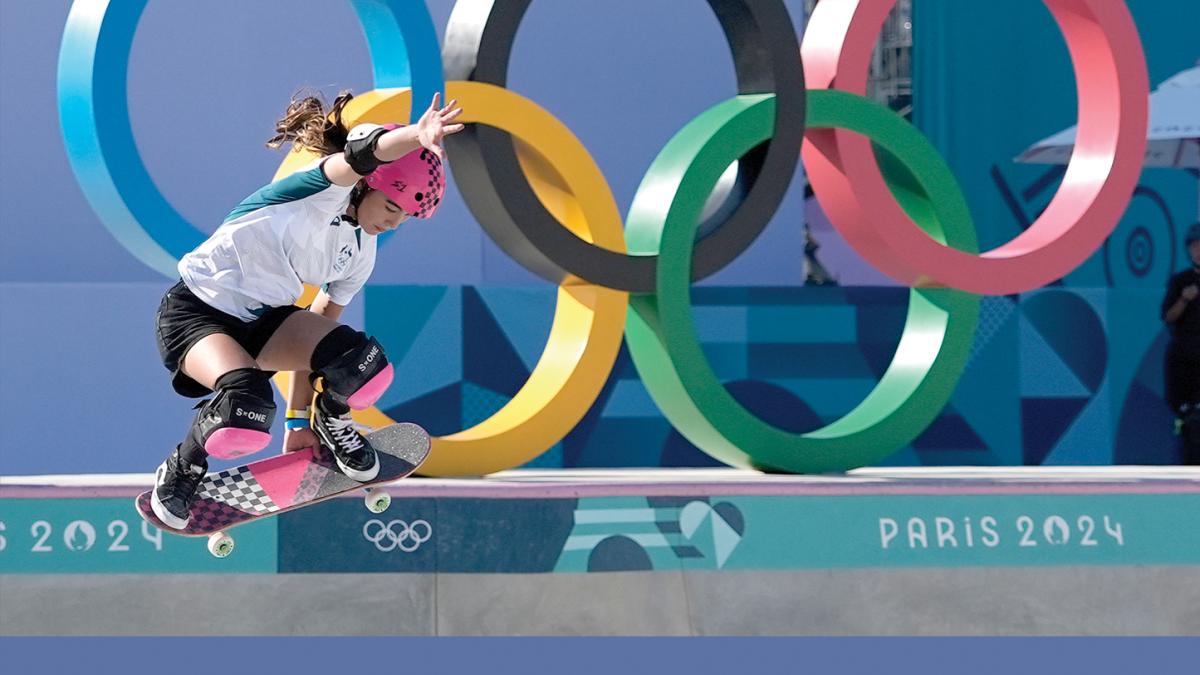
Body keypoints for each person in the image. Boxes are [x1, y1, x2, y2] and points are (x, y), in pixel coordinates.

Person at [150, 90, 464, 529]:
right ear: (365, 185)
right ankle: (183, 467)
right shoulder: (321, 188)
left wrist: (298, 422)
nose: (394, 222)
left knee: (363, 366)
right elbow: (363, 151)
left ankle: (333, 425)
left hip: (263, 322)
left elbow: (318, 337)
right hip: (196, 313)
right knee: (244, 411)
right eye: (393, 206)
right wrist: (417, 135)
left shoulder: (360, 251)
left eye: (405, 217)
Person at [1161, 223, 1200, 464]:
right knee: (1190, 419)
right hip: (1185, 357)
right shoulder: (1181, 281)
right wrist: (1184, 299)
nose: (1198, 251)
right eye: (1194, 247)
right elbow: (1168, 317)